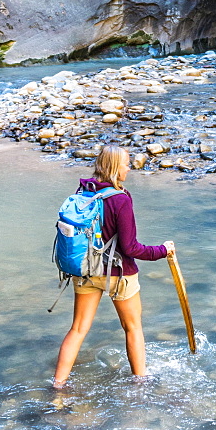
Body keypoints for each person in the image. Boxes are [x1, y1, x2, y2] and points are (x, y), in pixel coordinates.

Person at [53, 145, 174, 386]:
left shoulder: (83, 191)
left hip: (85, 270)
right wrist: (163, 250)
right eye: (126, 163)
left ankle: (57, 386)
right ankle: (140, 385)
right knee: (132, 328)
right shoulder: (120, 200)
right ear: (114, 167)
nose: (129, 168)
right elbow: (131, 249)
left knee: (77, 330)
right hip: (119, 274)